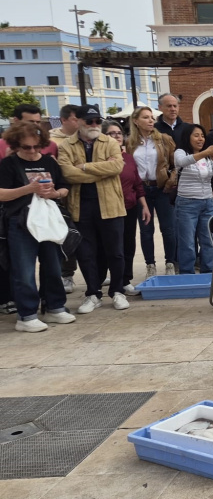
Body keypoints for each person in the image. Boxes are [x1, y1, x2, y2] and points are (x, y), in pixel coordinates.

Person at [0, 122, 74, 332]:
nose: (32, 152)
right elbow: (2, 194)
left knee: (52, 265)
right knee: (23, 270)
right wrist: (29, 189)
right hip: (20, 221)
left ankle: (55, 306)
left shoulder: (49, 162)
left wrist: (56, 193)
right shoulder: (8, 164)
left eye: (36, 147)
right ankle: (26, 315)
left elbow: (64, 186)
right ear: (16, 145)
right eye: (26, 147)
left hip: (48, 218)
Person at [57, 105, 128, 314]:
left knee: (115, 252)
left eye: (98, 121)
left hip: (111, 206)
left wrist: (86, 167)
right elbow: (67, 173)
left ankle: (117, 291)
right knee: (86, 253)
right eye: (90, 121)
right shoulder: (66, 146)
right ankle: (93, 293)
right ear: (78, 121)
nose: (95, 125)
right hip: (81, 206)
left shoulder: (110, 142)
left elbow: (116, 167)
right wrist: (102, 169)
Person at [99, 120, 151, 296]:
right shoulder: (100, 158)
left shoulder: (128, 157)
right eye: (111, 134)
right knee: (111, 248)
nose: (116, 136)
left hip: (130, 206)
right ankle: (104, 280)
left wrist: (144, 206)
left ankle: (125, 280)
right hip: (109, 207)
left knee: (128, 245)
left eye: (119, 133)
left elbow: (137, 184)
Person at [126, 105, 178, 277]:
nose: (150, 120)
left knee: (168, 228)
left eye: (151, 117)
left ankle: (170, 262)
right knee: (146, 230)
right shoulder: (130, 143)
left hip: (161, 187)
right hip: (141, 189)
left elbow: (174, 163)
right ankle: (150, 265)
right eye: (145, 117)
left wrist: (171, 180)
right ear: (135, 121)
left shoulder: (164, 139)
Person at [173, 125, 213, 274]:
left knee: (208, 240)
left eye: (202, 135)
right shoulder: (180, 152)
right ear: (187, 137)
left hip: (207, 202)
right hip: (186, 203)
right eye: (196, 135)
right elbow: (182, 162)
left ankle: (208, 272)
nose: (200, 139)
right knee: (187, 242)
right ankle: (187, 273)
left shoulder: (207, 157)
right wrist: (205, 152)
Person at [46, 104, 81, 293]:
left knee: (84, 237)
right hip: (61, 197)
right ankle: (67, 275)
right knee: (64, 237)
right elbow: (65, 170)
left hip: (81, 193)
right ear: (64, 120)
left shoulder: (85, 138)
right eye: (76, 119)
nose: (79, 122)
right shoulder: (52, 141)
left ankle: (95, 273)